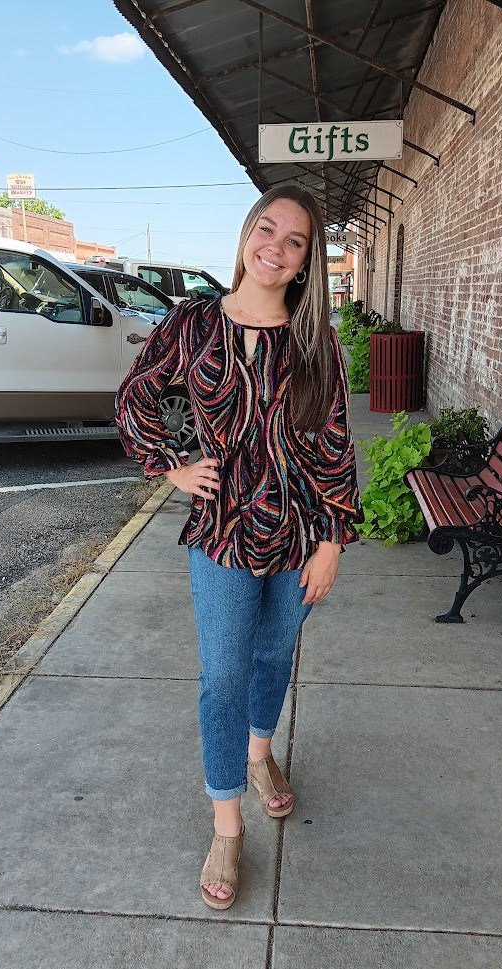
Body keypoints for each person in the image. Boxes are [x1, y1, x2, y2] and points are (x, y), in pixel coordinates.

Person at [115, 184, 363, 910]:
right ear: (246, 236)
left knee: (272, 651)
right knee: (222, 672)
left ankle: (260, 755)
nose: (276, 247)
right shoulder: (193, 322)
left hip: (298, 532)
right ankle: (227, 824)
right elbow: (136, 395)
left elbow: (334, 442)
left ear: (305, 262)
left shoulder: (315, 340)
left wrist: (333, 541)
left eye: (294, 241)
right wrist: (172, 464)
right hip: (222, 528)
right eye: (267, 229)